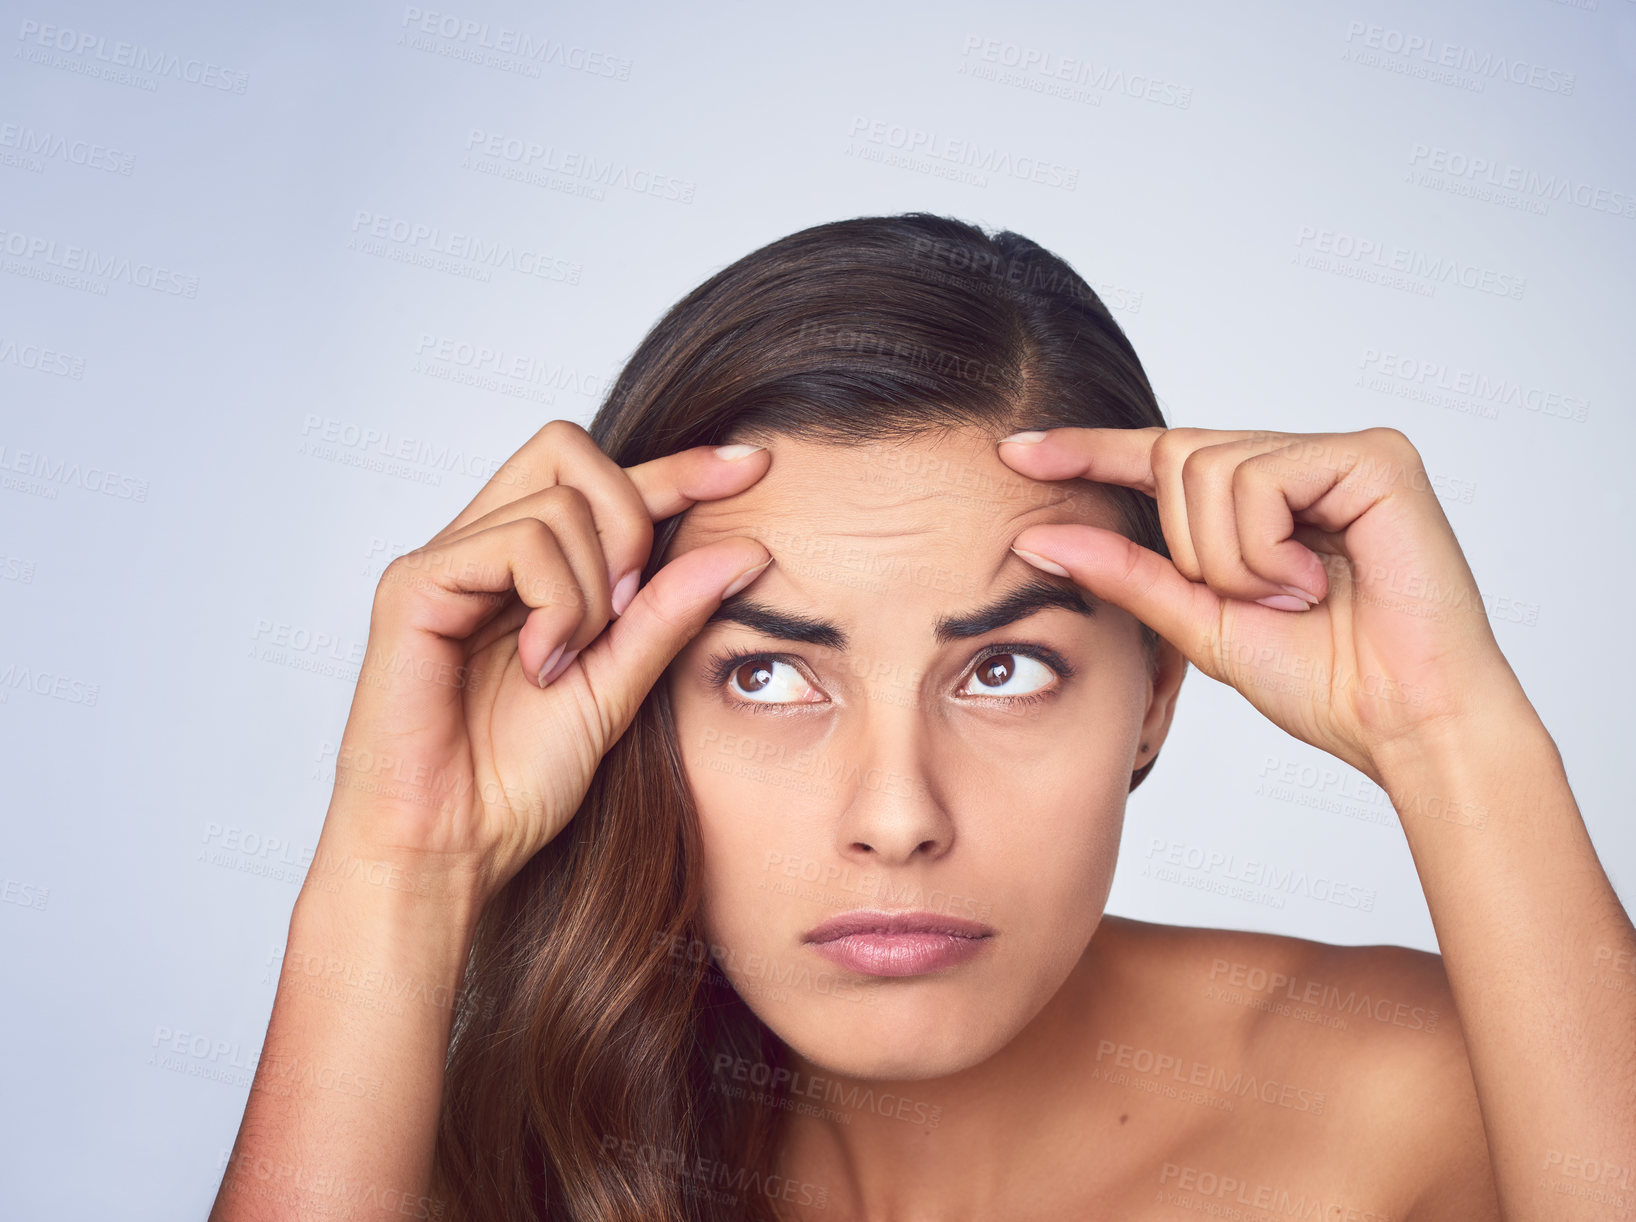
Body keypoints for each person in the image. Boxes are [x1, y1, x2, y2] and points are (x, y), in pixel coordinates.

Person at [209, 213, 1633, 1222]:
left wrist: (1458, 741)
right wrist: (400, 865)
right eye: (768, 674)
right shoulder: (492, 1135)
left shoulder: (1429, 1092)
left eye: (1002, 670)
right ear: (629, 704)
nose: (897, 815)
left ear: (1157, 695)